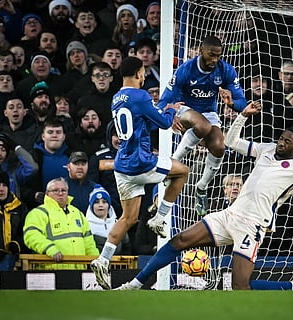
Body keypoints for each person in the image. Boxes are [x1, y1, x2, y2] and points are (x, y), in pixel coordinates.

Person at [113, 101, 293, 291]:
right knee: (179, 240)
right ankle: (136, 283)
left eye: (288, 142)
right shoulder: (265, 149)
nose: (281, 143)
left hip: (252, 225)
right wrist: (242, 116)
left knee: (240, 287)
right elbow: (230, 142)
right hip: (229, 215)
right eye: (281, 138)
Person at [90, 56, 189, 289]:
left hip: (122, 165)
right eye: (143, 72)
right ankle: (160, 217)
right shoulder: (140, 95)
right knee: (182, 171)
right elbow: (164, 124)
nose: (144, 75)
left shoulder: (117, 97)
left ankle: (103, 259)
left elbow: (141, 121)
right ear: (138, 73)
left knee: (128, 218)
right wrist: (171, 110)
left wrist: (162, 112)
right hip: (141, 162)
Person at [158, 35, 247, 216]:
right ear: (201, 51)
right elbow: (165, 99)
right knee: (203, 125)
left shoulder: (225, 70)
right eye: (211, 55)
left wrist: (231, 103)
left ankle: (201, 187)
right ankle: (172, 164)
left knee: (219, 146)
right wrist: (169, 114)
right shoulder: (186, 70)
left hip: (208, 113)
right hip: (184, 110)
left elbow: (241, 102)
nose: (215, 60)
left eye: (218, 56)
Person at [23, 177, 99, 269]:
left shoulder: (77, 213)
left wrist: (97, 261)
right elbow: (31, 235)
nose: (60, 193)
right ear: (47, 194)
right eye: (55, 190)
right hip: (51, 272)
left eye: (63, 190)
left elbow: (89, 242)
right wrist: (49, 248)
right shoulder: (39, 213)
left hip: (79, 272)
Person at [0, 170, 29, 260]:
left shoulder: (20, 207)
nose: (2, 189)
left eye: (5, 185)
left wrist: (18, 244)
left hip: (14, 259)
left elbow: (27, 231)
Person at [86, 184, 131, 255]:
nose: (101, 205)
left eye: (104, 202)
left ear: (109, 205)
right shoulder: (86, 226)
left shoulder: (118, 223)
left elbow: (127, 246)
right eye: (96, 202)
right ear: (91, 206)